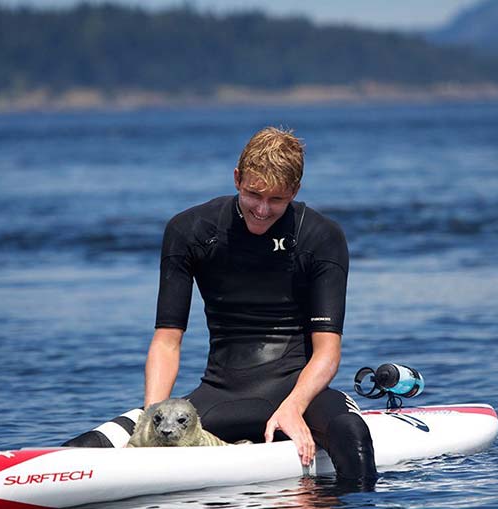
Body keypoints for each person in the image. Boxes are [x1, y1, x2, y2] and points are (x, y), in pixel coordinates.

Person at [66, 127, 376, 482]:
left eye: (276, 200)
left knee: (353, 434)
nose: (262, 209)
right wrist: (154, 417)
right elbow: (167, 341)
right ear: (237, 178)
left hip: (302, 397)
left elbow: (327, 352)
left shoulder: (320, 236)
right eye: (253, 194)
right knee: (83, 447)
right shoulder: (191, 230)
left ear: (295, 191)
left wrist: (293, 407)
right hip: (219, 396)